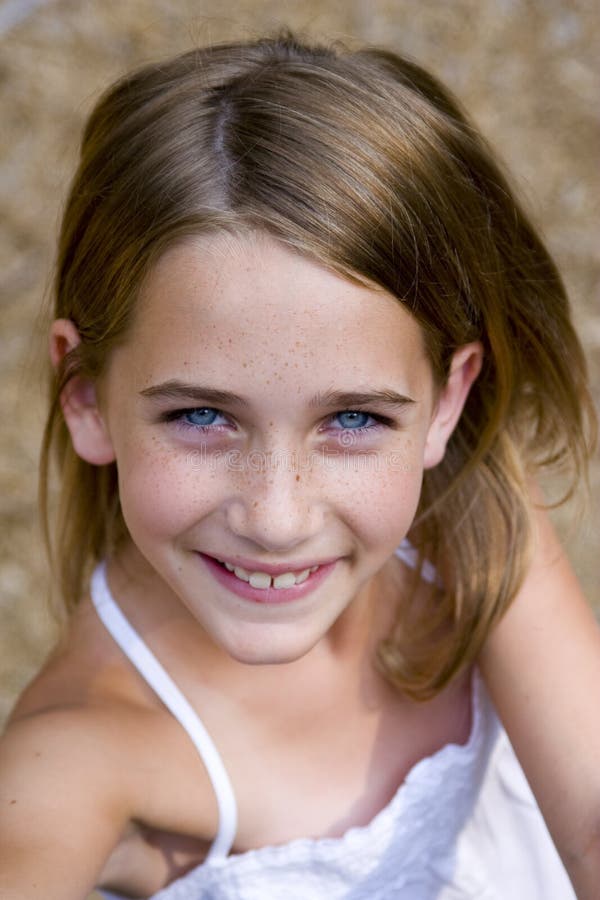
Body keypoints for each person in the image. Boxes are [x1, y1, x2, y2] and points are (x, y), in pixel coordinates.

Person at [0, 32, 598, 900]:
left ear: (445, 403)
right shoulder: (68, 766)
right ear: (86, 394)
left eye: (353, 418)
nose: (277, 517)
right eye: (202, 415)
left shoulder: (471, 505)